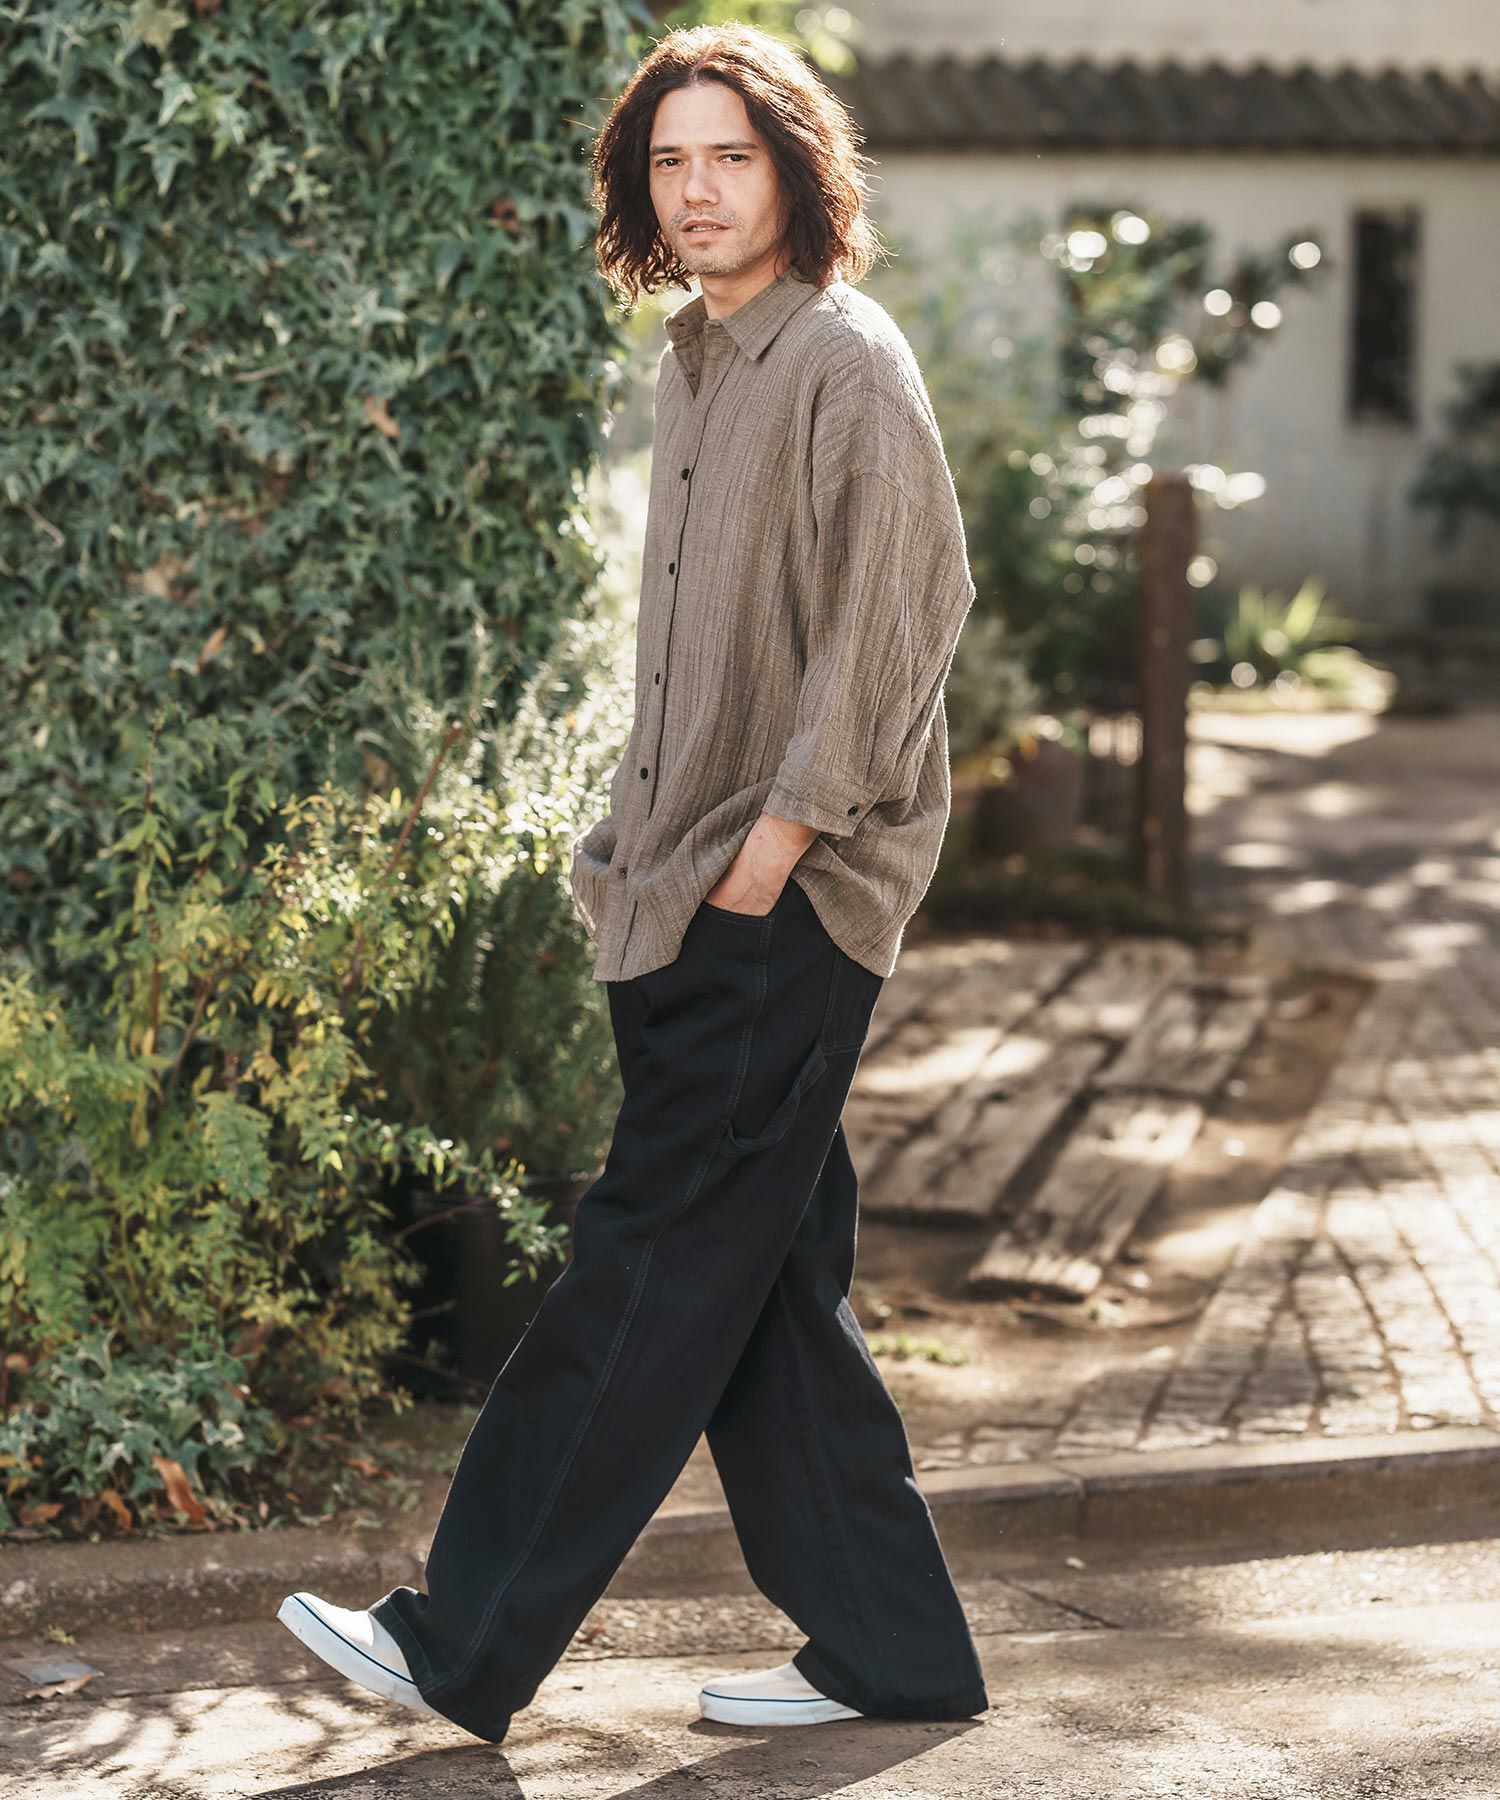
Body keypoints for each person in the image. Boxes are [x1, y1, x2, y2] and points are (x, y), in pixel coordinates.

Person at [278, 21, 988, 1747]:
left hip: (784, 899)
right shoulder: (699, 360)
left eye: (729, 155)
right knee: (767, 1294)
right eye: (669, 160)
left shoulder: (842, 359)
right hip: (681, 891)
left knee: (646, 1262)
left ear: (794, 170)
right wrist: (637, 859)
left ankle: (460, 1642)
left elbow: (905, 623)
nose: (696, 188)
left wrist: (776, 848)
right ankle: (894, 1651)